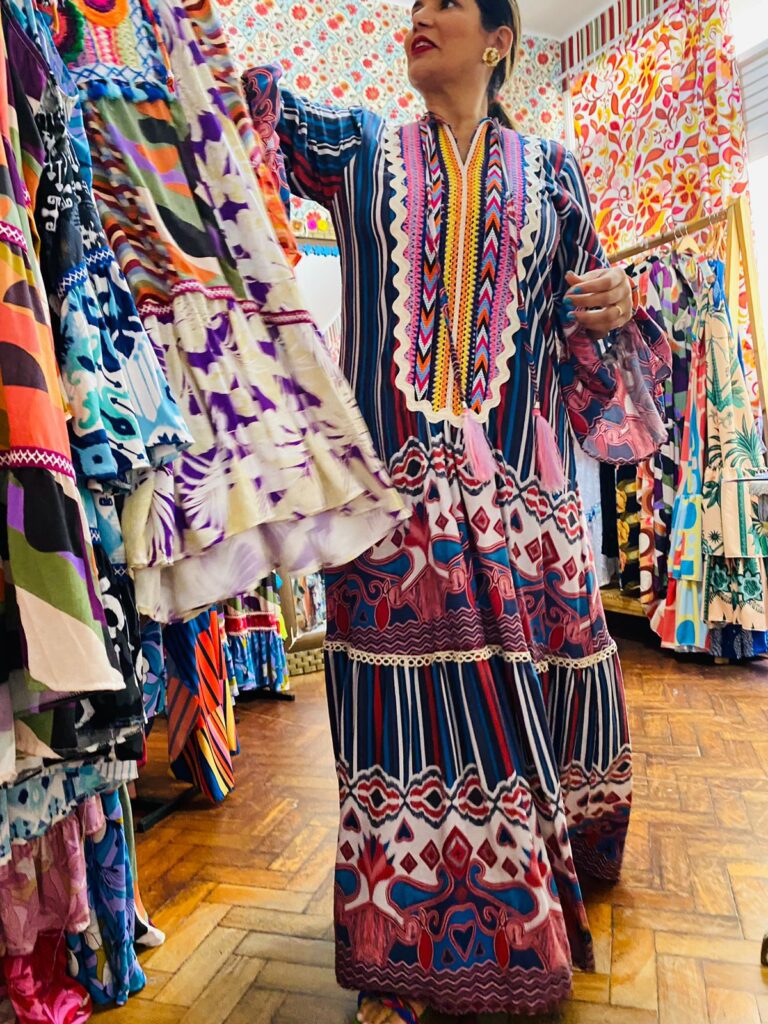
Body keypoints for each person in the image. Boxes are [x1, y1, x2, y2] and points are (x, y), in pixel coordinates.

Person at [244, 3, 670, 1021]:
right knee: (389, 727)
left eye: (443, 2)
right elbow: (245, 112)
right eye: (414, 6)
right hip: (391, 513)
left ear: (499, 40)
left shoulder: (555, 174)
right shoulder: (357, 150)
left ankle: (524, 923)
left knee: (528, 709)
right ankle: (399, 958)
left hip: (518, 504)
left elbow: (589, 324)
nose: (419, 16)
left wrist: (618, 303)